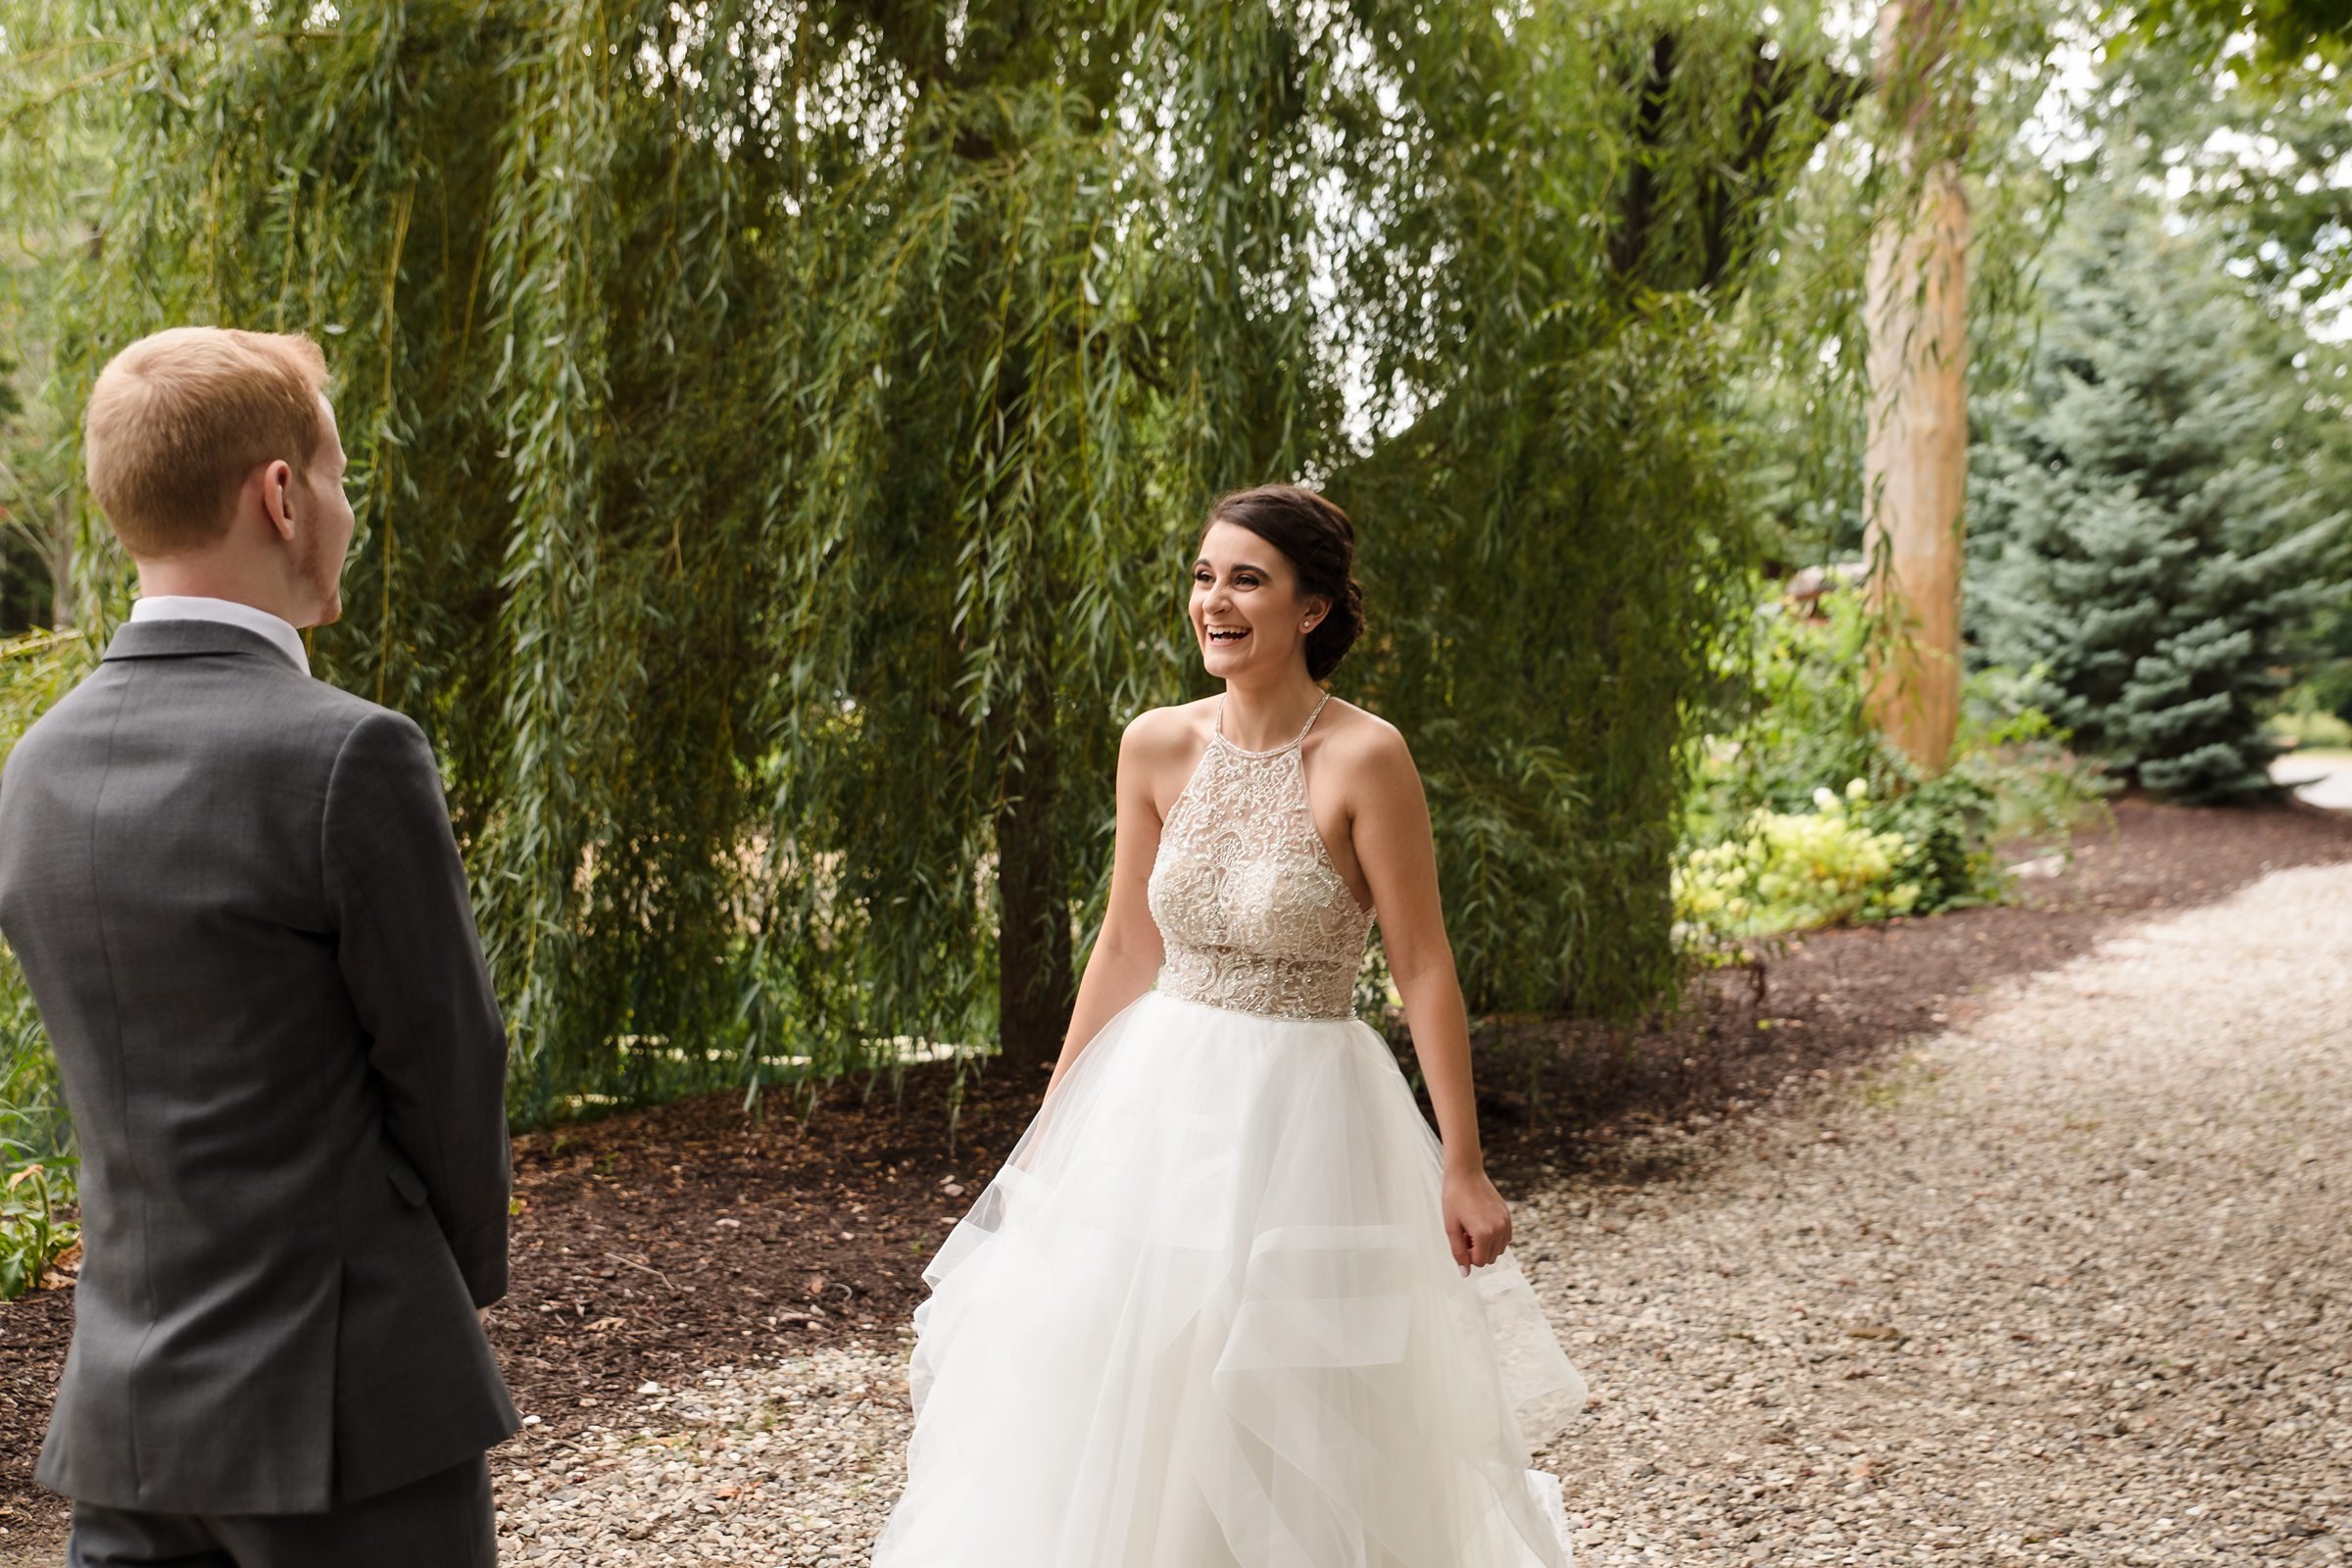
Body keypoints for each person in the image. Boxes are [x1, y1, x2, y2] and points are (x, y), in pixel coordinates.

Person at [873, 484, 1586, 1567]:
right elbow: (1123, 947)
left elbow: (1423, 966)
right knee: (1129, 1370)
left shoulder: (1366, 758)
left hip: (1309, 1114)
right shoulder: (1156, 746)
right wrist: (1053, 1134)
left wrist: (1465, 1164)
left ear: (1312, 608)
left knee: (1291, 1391)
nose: (1216, 600)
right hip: (1157, 1102)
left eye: (1247, 578)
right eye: (1205, 575)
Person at [0, 327, 517, 1567]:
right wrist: (446, 1293)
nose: (346, 511)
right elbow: (452, 1065)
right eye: (337, 476)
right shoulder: (349, 756)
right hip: (349, 1420)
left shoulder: (34, 772)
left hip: (130, 1430)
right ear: (280, 496)